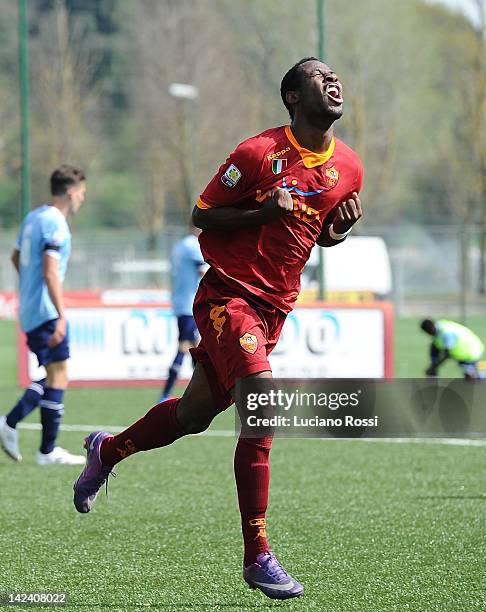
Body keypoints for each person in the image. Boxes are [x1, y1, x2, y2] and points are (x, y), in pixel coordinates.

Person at [73, 57, 363, 600]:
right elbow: (202, 214)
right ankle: (258, 554)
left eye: (335, 76)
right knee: (263, 402)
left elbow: (315, 235)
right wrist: (259, 214)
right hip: (228, 296)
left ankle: (107, 451)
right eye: (318, 76)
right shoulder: (256, 154)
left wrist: (335, 235)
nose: (333, 80)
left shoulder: (348, 167)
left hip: (275, 310)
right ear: (293, 98)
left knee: (191, 415)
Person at [0, 165, 87, 465]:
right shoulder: (55, 223)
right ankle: (40, 446)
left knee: (53, 373)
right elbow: (51, 271)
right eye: (82, 194)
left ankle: (28, 437)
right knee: (59, 373)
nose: (82, 200)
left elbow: (15, 257)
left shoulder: (33, 217)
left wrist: (29, 286)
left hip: (30, 308)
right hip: (47, 311)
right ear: (72, 192)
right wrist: (61, 315)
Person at [159, 225, 206, 401]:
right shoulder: (193, 246)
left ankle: (201, 393)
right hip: (190, 304)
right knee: (185, 345)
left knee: (196, 347)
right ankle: (165, 393)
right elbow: (204, 270)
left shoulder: (179, 246)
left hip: (180, 303)